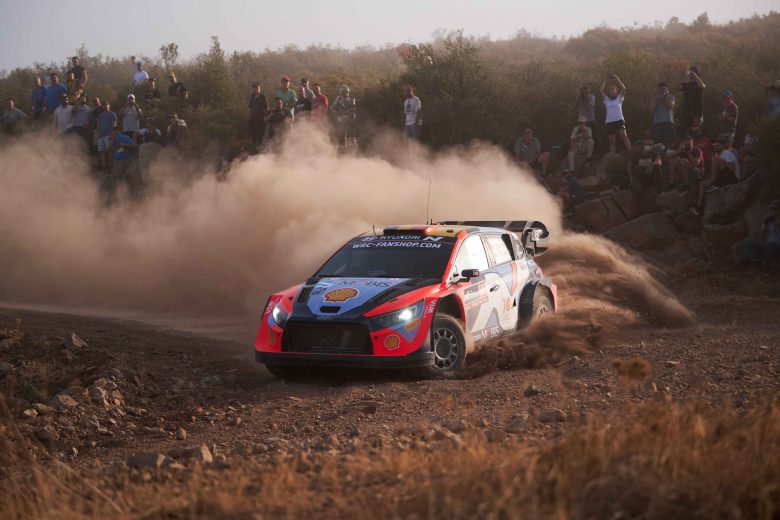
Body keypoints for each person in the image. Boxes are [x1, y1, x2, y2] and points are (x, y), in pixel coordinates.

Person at [745, 201, 780, 273]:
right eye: (772, 208)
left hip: (777, 246)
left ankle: (767, 269)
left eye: (776, 208)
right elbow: (762, 232)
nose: (773, 210)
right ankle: (756, 263)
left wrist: (776, 223)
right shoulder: (768, 218)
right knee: (749, 243)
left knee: (769, 244)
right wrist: (765, 223)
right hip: (768, 245)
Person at [601, 74, 631, 153]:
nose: (612, 90)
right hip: (609, 121)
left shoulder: (619, 98)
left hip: (619, 120)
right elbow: (601, 90)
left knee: (624, 136)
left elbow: (624, 88)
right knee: (611, 141)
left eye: (613, 88)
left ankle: (631, 152)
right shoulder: (606, 99)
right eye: (610, 89)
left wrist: (617, 78)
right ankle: (612, 155)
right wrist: (605, 80)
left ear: (616, 90)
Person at [679, 66, 705, 130]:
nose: (691, 75)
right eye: (690, 74)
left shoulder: (699, 84)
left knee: (696, 130)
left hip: (697, 111)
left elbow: (702, 86)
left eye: (693, 73)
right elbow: (677, 87)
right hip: (687, 111)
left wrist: (695, 75)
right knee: (686, 130)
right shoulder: (686, 85)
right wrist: (682, 76)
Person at [97, 100, 117, 169]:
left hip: (109, 134)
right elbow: (99, 124)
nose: (105, 106)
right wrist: (98, 132)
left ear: (109, 105)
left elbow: (114, 125)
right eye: (103, 105)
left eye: (106, 104)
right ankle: (104, 165)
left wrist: (112, 134)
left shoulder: (112, 114)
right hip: (101, 135)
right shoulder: (101, 115)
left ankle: (110, 165)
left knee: (109, 150)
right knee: (101, 151)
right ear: (102, 106)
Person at [248, 82, 268, 148]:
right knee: (253, 134)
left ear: (259, 88)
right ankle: (253, 148)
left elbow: (266, 107)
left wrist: (264, 116)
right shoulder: (252, 96)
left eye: (257, 88)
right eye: (255, 88)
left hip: (260, 118)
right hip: (253, 118)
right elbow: (250, 106)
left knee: (260, 134)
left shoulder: (263, 97)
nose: (256, 89)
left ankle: (260, 148)